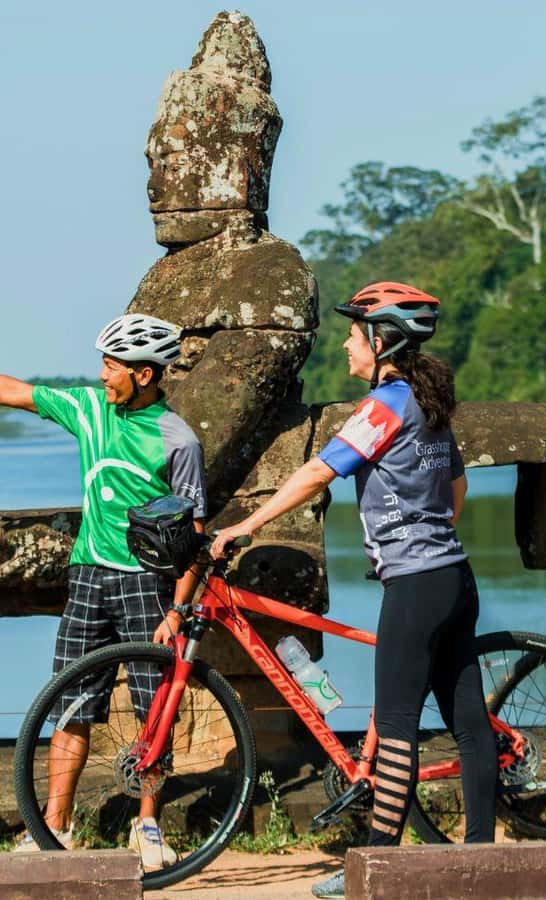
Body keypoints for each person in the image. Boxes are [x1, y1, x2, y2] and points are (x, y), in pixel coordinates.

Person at [211, 282, 497, 899]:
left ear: (381, 340)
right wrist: (424, 528)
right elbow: (457, 490)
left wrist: (244, 525)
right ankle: (481, 857)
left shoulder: (384, 405)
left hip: (416, 586)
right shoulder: (431, 404)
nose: (345, 344)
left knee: (395, 727)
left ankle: (378, 867)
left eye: (352, 333)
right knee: (469, 722)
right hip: (454, 576)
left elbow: (318, 471)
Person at [3, 313, 207, 869]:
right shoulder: (89, 410)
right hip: (89, 575)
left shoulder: (177, 438)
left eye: (111, 365)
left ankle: (148, 827)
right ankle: (55, 829)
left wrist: (178, 608)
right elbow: (15, 392)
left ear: (145, 374)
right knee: (70, 704)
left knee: (153, 710)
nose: (101, 375)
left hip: (149, 585)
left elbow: (193, 535)